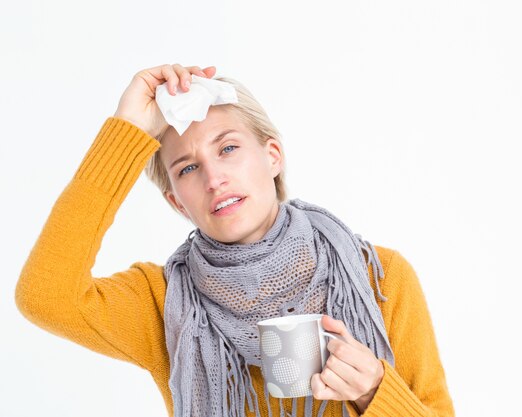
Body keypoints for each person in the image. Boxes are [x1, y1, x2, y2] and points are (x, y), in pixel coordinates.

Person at [15, 63, 455, 417]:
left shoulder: (378, 277)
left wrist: (374, 392)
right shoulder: (164, 303)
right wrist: (126, 131)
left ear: (272, 156)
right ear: (176, 202)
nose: (213, 177)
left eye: (228, 148)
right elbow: (45, 295)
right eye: (187, 168)